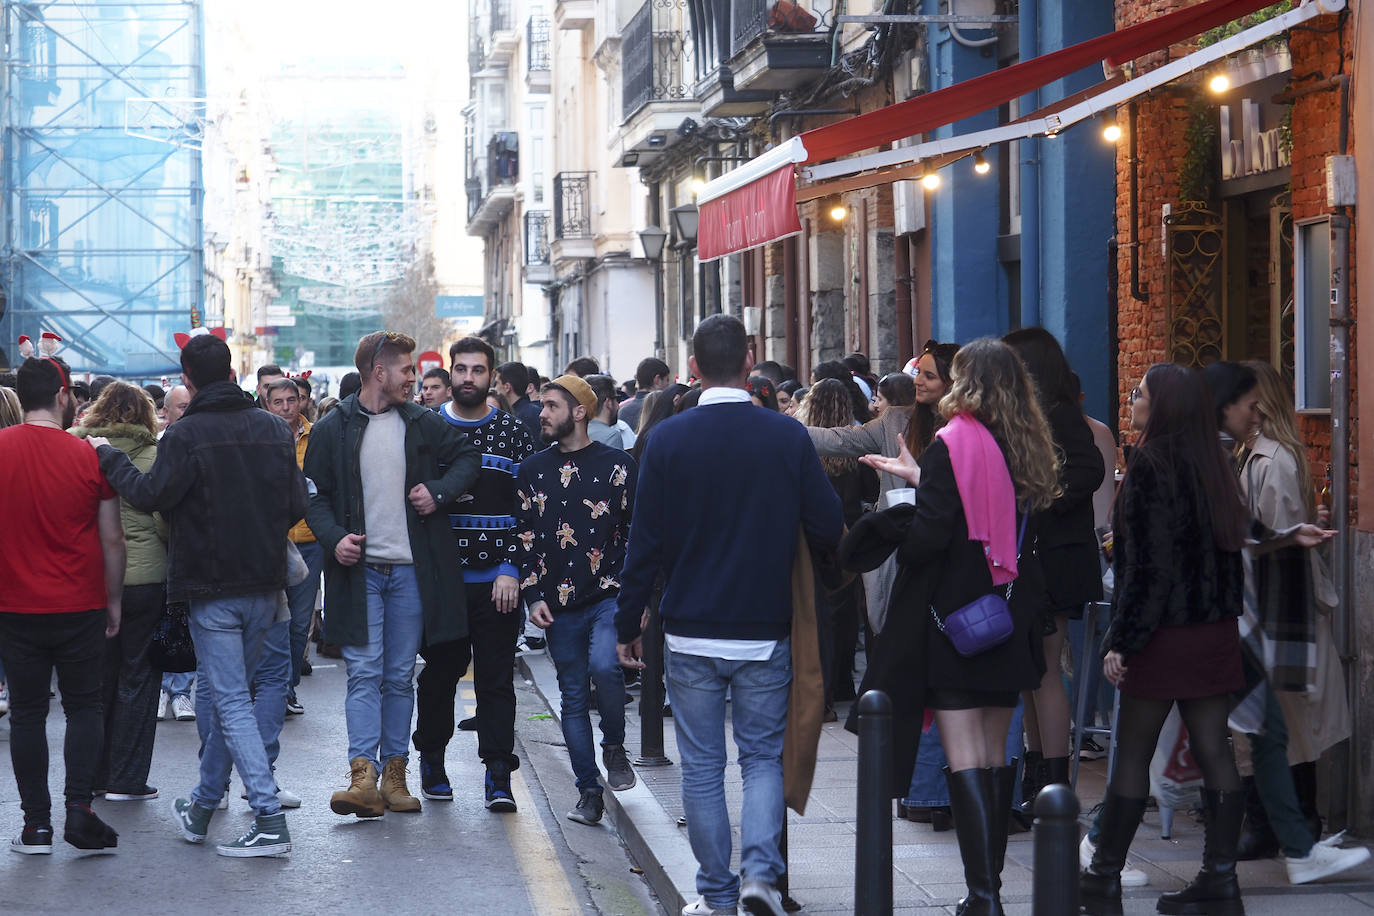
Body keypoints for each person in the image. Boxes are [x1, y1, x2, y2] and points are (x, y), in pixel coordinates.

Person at [1079, 363, 1333, 916]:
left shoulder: (1149, 462)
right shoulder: (1213, 460)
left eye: (1140, 393)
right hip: (1213, 631)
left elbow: (1147, 566)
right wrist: (1289, 536)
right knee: (1216, 753)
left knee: (1132, 756)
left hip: (1165, 634)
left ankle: (1102, 879)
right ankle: (1220, 883)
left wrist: (1121, 640)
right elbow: (1236, 530)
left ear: (1164, 404)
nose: (1134, 400)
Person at [616, 314, 844, 916]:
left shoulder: (666, 440)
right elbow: (827, 526)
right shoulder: (786, 438)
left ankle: (716, 894)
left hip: (689, 627)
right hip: (765, 626)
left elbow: (644, 544)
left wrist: (627, 621)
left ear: (692, 368)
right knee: (763, 757)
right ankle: (761, 879)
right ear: (751, 361)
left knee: (702, 767)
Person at [861, 338, 1059, 916]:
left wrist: (904, 511)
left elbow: (931, 539)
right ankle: (987, 889)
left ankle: (984, 896)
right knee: (995, 754)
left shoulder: (953, 443)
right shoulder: (1024, 444)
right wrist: (926, 481)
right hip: (1009, 612)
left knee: (965, 753)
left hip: (955, 620)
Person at [91, 332, 307, 857]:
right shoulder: (273, 430)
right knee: (227, 694)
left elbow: (150, 495)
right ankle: (203, 804)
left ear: (187, 380)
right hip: (264, 582)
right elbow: (296, 502)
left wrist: (108, 458)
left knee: (229, 701)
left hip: (211, 586)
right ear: (233, 373)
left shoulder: (185, 435)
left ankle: (269, 818)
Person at [304, 331, 480, 819]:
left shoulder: (422, 423)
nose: (414, 378)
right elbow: (313, 495)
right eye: (406, 369)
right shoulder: (331, 428)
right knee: (364, 672)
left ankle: (396, 774)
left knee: (400, 676)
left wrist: (439, 492)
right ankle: (362, 776)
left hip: (411, 573)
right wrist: (334, 536)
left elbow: (468, 458)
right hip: (358, 573)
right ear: (378, 371)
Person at [1224, 361, 1366, 884]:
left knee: (1285, 726)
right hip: (1270, 610)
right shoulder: (1256, 456)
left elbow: (1277, 542)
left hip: (1278, 611)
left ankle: (1287, 827)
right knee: (1276, 725)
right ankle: (1283, 829)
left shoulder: (1273, 459)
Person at [0, 356, 124, 855]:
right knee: (83, 706)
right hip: (80, 603)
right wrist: (113, 602)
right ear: (61, 395)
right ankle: (79, 807)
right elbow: (113, 539)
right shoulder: (90, 456)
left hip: (14, 605)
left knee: (27, 715)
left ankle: (36, 826)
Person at [412, 336, 535, 810]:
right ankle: (432, 760)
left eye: (477, 370)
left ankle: (498, 775)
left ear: (492, 376)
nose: (467, 378)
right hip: (442, 584)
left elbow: (528, 511)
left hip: (497, 583)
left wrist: (511, 568)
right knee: (439, 676)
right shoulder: (425, 431)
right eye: (460, 369)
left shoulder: (513, 433)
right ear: (449, 372)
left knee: (495, 680)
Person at [513, 374, 639, 827]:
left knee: (606, 667)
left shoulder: (619, 465)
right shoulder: (531, 470)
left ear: (579, 412)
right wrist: (531, 596)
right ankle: (589, 790)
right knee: (570, 696)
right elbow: (523, 537)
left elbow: (636, 533)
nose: (541, 413)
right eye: (542, 405)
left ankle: (614, 745)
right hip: (556, 602)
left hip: (609, 594)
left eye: (550, 406)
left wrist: (638, 599)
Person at [1002, 327, 1105, 816]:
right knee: (1029, 670)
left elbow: (1089, 472)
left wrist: (1039, 495)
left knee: (1043, 667)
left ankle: (1055, 782)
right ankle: (1037, 773)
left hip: (1057, 559)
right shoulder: (1023, 417)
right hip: (1032, 555)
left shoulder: (1061, 415)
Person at [71, 382, 168, 803]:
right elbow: (165, 521)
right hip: (146, 582)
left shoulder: (79, 451)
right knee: (139, 678)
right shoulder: (154, 454)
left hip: (94, 577)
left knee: (97, 680)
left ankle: (91, 774)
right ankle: (126, 780)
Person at [795, 379, 877, 716]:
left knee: (815, 613)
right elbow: (871, 491)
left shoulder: (802, 441)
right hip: (850, 536)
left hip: (811, 536)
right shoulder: (856, 444)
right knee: (846, 615)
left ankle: (822, 688)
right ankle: (843, 681)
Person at [263, 378, 322, 717]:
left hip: (310, 542)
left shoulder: (317, 436)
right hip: (270, 542)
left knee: (300, 622)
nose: (286, 407)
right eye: (278, 402)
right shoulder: (259, 435)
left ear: (301, 402)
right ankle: (271, 687)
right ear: (267, 403)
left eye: (292, 400)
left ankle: (286, 688)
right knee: (272, 619)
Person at [155, 383, 196, 721]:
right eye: (179, 407)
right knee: (163, 621)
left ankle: (181, 691)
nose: (185, 412)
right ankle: (160, 687)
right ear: (165, 411)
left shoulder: (198, 443)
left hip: (190, 545)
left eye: (189, 405)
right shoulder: (157, 445)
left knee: (185, 623)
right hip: (161, 546)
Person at [494, 360, 542, 440]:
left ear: (507, 387)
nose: (495, 389)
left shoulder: (517, 418)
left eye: (497, 383)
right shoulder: (536, 412)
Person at [619, 357, 669, 432]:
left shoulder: (623, 411)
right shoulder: (664, 408)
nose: (668, 384)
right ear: (657, 380)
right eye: (667, 380)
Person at [585, 373, 628, 450]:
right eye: (617, 399)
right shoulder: (612, 437)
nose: (618, 406)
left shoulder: (573, 433)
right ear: (609, 403)